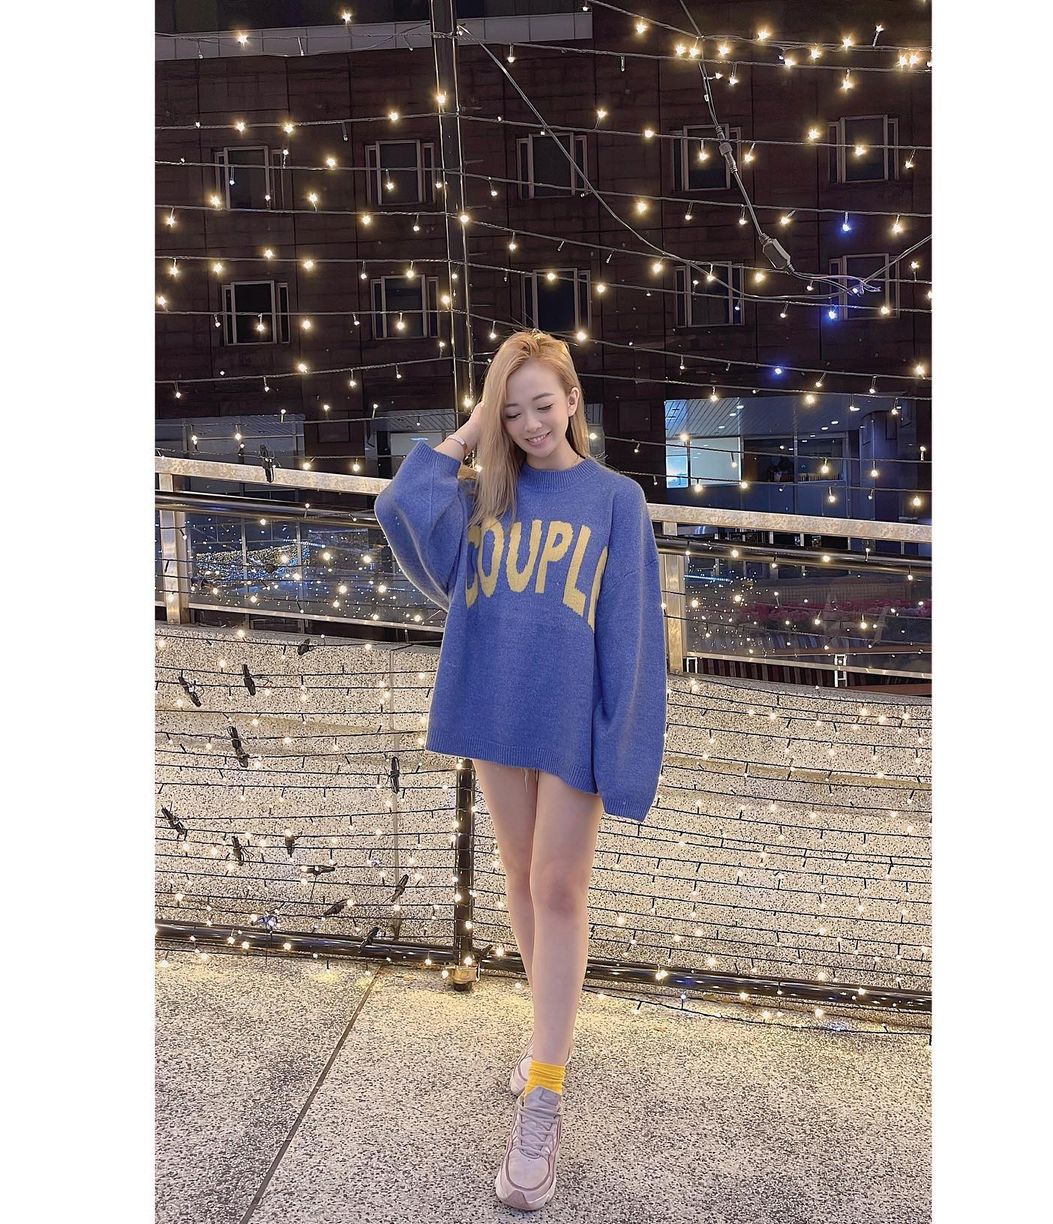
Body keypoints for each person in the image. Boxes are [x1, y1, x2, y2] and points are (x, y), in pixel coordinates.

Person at [373, 329, 667, 1211]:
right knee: (518, 877)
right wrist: (471, 431)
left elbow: (632, 634)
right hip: (496, 706)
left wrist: (622, 747)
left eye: (545, 403)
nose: (533, 423)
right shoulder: (484, 495)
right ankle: (548, 1045)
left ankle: (544, 1096)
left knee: (558, 887)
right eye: (513, 411)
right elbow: (399, 504)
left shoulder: (615, 500)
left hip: (573, 718)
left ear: (573, 400)